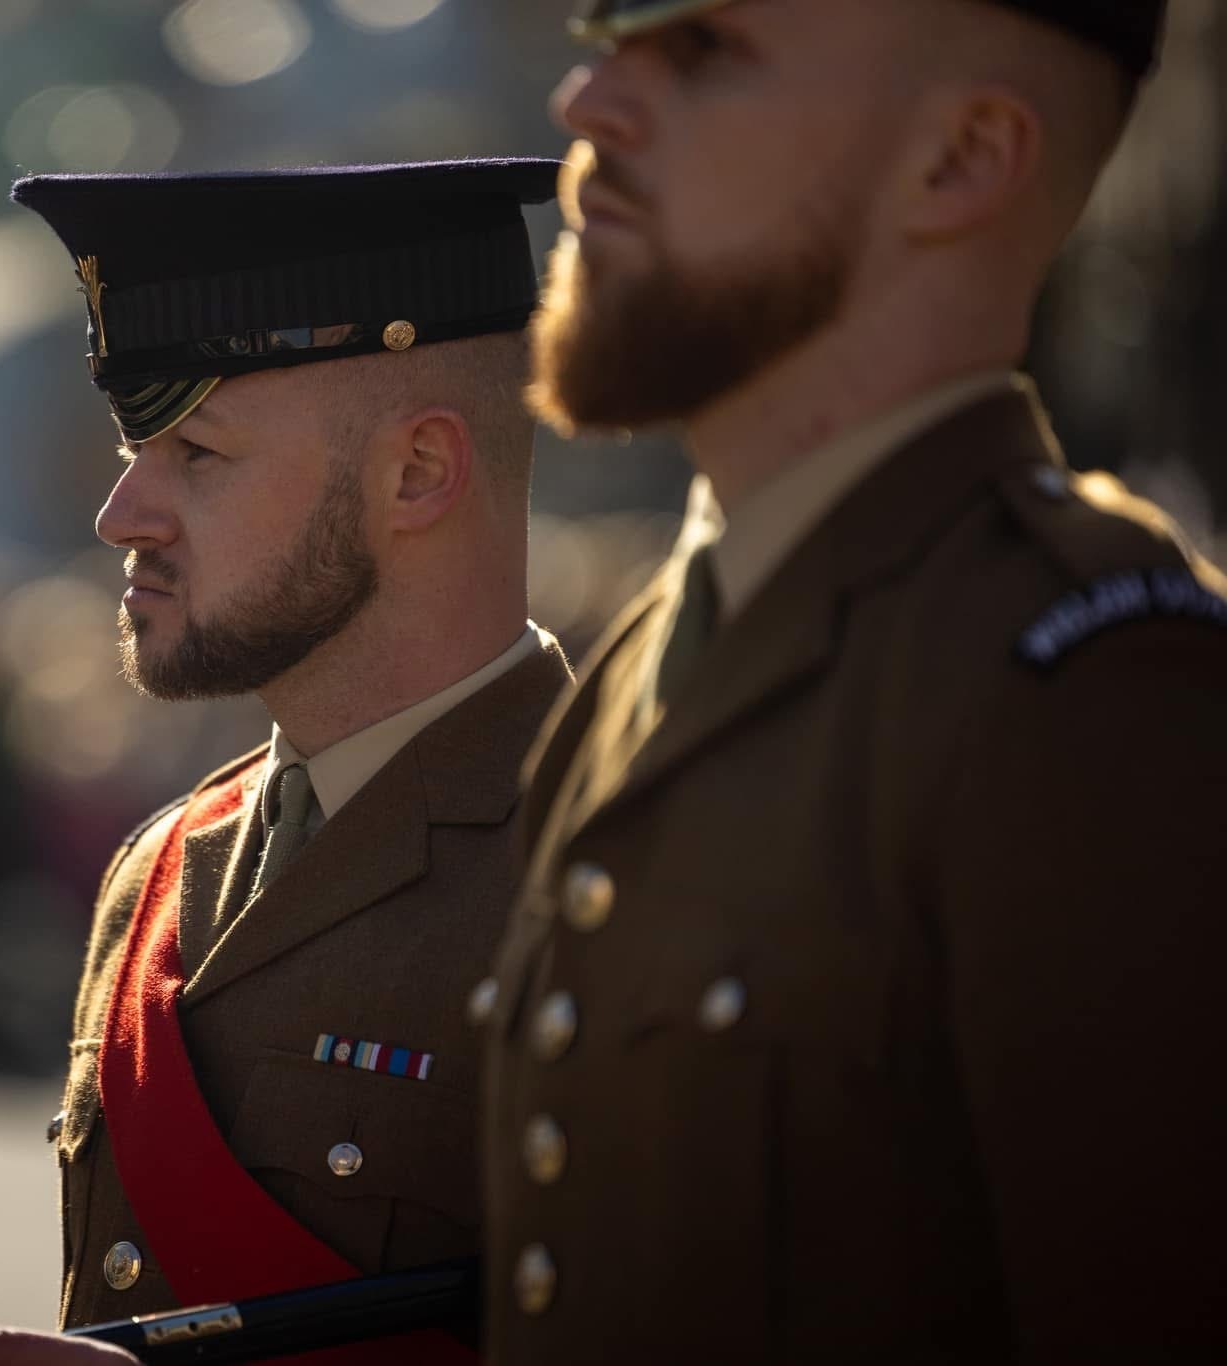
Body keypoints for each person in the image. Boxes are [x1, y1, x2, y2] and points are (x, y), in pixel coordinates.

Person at [473, 1, 1227, 1362]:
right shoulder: (646, 656)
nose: (588, 104)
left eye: (699, 51)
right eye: (606, 40)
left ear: (960, 160)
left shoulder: (1095, 693)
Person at [0, 160, 572, 1365]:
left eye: (196, 451)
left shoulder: (611, 864)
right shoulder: (160, 868)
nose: (121, 512)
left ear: (416, 471)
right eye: (131, 446)